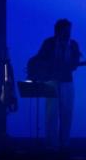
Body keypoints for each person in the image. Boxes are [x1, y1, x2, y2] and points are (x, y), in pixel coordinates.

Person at [33, 19, 83, 152]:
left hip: (66, 81)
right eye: (65, 29)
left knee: (67, 113)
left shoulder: (72, 44)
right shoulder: (49, 43)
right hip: (51, 81)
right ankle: (52, 144)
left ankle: (64, 143)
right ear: (58, 30)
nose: (67, 32)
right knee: (51, 114)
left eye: (69, 30)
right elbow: (39, 59)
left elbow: (75, 64)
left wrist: (70, 63)